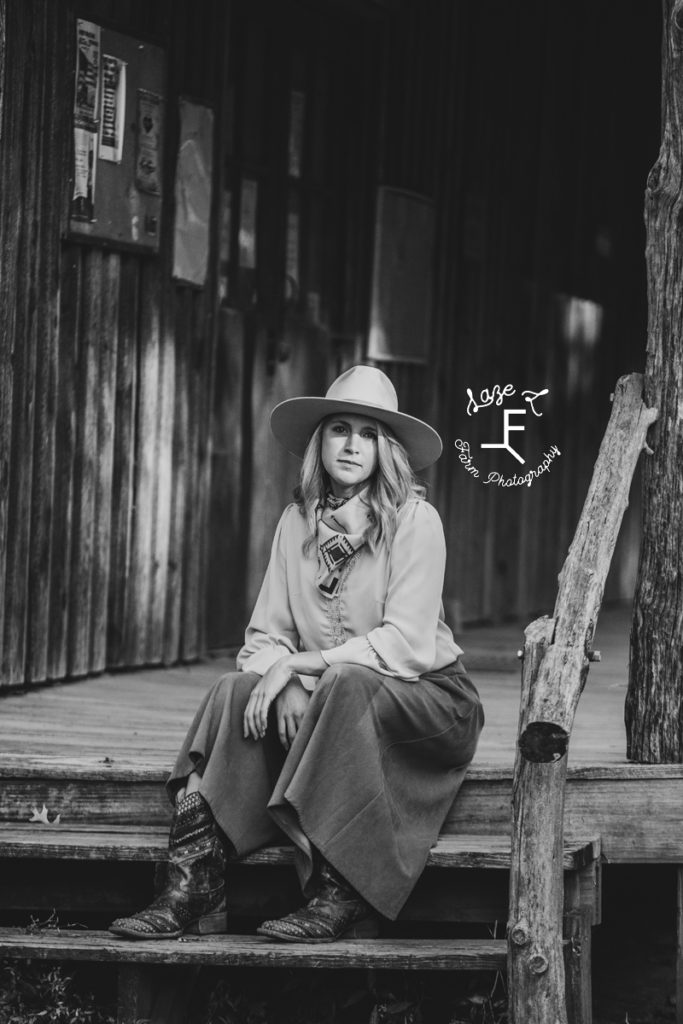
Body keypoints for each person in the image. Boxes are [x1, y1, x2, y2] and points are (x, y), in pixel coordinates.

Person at [109, 364, 484, 943]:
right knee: (233, 691)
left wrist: (301, 666)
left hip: (431, 703)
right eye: (340, 429)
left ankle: (343, 888)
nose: (353, 444)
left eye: (368, 432)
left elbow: (404, 645)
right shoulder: (296, 523)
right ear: (320, 441)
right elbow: (265, 637)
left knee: (345, 683)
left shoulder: (415, 520)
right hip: (331, 696)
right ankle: (194, 884)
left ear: (387, 448)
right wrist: (281, 677)